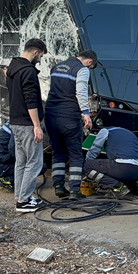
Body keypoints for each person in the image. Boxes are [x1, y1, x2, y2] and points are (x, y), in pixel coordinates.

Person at [45, 50, 97, 200]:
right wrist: (86, 114)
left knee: (58, 152)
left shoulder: (56, 67)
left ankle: (59, 186)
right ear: (89, 62)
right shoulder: (82, 69)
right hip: (69, 116)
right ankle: (75, 190)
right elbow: (80, 92)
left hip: (51, 115)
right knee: (75, 154)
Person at [7, 38, 47, 213]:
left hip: (15, 122)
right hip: (27, 123)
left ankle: (21, 196)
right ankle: (23, 201)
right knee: (34, 162)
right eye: (41, 56)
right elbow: (30, 100)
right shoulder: (28, 71)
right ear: (35, 52)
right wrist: (37, 126)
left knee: (21, 162)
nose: (40, 60)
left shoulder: (12, 68)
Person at [83, 127, 138, 198]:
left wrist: (88, 171)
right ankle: (134, 186)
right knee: (115, 167)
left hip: (125, 168)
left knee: (87, 166)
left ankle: (117, 187)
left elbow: (94, 150)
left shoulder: (105, 131)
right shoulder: (128, 132)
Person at [0, 122, 16, 191]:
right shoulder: (16, 126)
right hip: (0, 165)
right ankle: (7, 179)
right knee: (38, 167)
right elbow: (12, 147)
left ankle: (0, 175)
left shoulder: (10, 124)